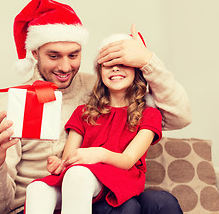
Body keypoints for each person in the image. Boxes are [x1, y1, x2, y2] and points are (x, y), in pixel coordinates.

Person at [0, 0, 190, 214]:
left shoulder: (98, 89)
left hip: (99, 189)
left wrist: (147, 61)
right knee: (123, 205)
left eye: (73, 55)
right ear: (34, 53)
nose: (65, 66)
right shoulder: (13, 103)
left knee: (162, 202)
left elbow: (179, 116)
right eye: (54, 55)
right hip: (43, 199)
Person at [25, 32, 163, 214]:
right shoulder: (84, 112)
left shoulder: (149, 114)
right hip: (80, 177)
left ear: (136, 71)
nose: (115, 69)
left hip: (119, 177)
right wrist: (60, 164)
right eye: (108, 65)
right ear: (100, 71)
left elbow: (128, 160)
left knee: (78, 174)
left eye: (123, 64)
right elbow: (69, 159)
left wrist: (98, 154)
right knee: (37, 189)